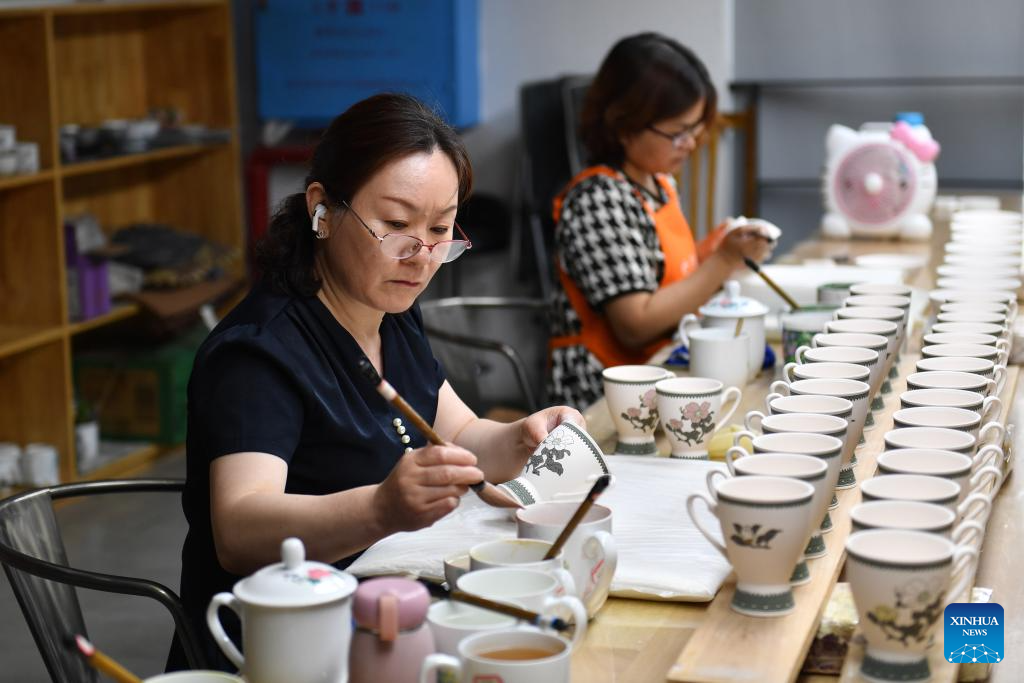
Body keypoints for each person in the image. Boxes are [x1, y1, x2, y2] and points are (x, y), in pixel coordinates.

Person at [168, 93, 582, 671]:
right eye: (394, 225)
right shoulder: (258, 354)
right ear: (322, 209)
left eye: (440, 229)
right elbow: (239, 528)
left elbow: (457, 431)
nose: (421, 255)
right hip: (279, 645)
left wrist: (521, 438)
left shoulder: (390, 311)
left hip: (386, 611)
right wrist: (382, 509)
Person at [548, 32, 772, 410]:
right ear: (623, 125)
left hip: (659, 374)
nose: (691, 143)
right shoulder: (598, 199)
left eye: (695, 128)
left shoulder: (658, 183)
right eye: (677, 132)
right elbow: (637, 324)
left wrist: (720, 248)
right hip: (602, 400)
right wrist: (722, 261)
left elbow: (662, 276)